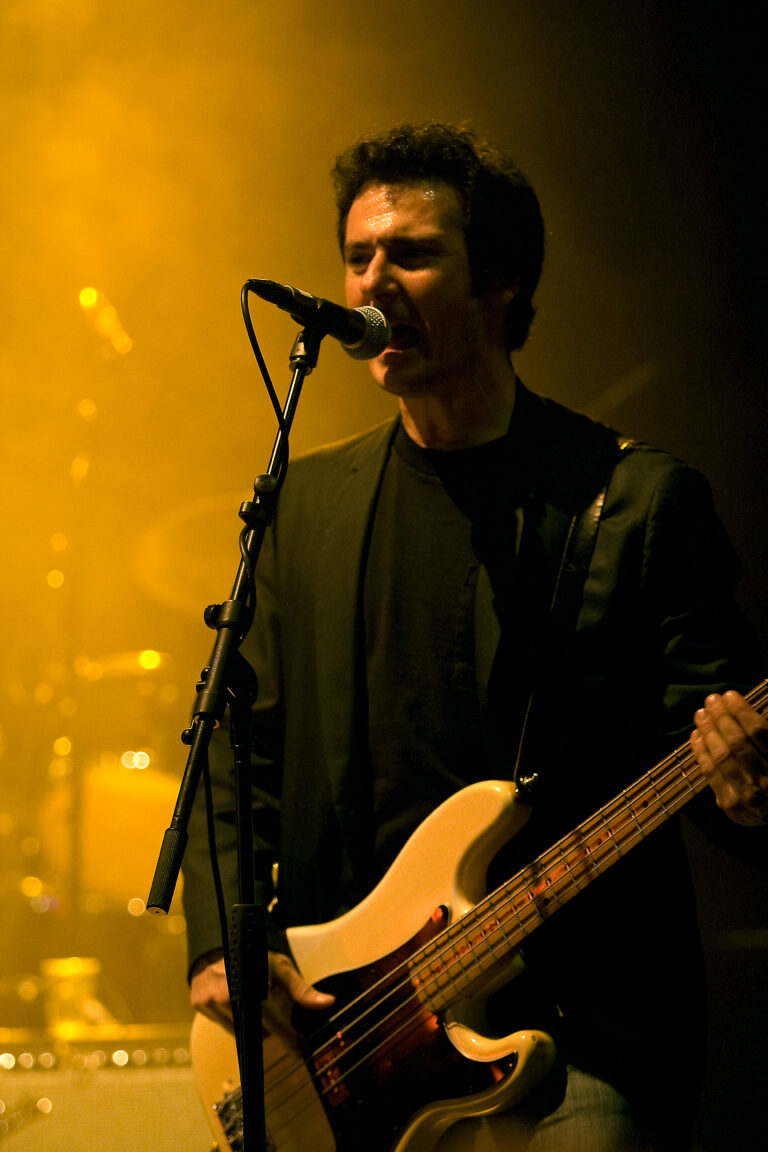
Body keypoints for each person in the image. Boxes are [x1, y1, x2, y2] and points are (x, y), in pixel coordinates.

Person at [181, 123, 768, 1151]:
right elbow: (233, 759)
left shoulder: (633, 502)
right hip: (348, 1038)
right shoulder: (305, 505)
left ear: (498, 283)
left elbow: (719, 757)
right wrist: (225, 947)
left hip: (575, 1028)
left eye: (410, 255)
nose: (372, 283)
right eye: (358, 257)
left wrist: (750, 786)